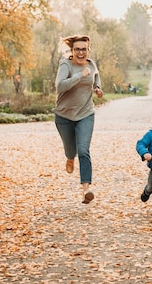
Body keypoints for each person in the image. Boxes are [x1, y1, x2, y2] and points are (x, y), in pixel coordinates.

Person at [54, 34, 103, 204]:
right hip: (63, 115)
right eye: (77, 49)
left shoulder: (91, 64)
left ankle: (86, 190)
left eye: (84, 49)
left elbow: (96, 77)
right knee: (71, 149)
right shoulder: (65, 64)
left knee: (83, 150)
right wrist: (79, 76)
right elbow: (59, 86)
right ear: (72, 51)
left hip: (86, 113)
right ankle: (69, 157)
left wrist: (97, 88)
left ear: (88, 50)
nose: (81, 52)